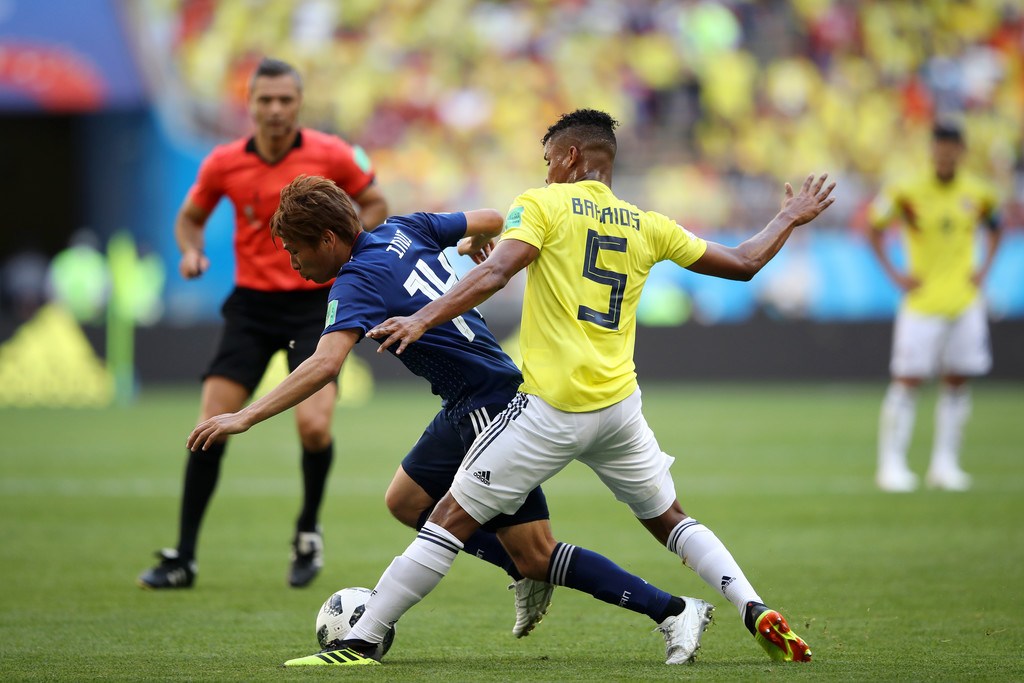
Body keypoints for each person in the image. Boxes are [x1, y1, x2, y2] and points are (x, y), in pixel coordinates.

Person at [286, 109, 833, 667]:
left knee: (448, 520)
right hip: (621, 409)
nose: (545, 171)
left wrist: (423, 318)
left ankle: (358, 642)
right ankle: (750, 604)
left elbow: (497, 273)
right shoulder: (648, 222)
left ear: (570, 157)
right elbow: (744, 262)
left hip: (550, 412)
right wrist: (788, 215)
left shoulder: (542, 204)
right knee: (671, 520)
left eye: (549, 159)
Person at [188, 174, 724, 662]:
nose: (293, 262)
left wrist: (244, 417)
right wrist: (471, 240)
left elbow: (325, 364)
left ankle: (673, 610)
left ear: (328, 239)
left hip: (491, 403)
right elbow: (495, 217)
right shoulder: (406, 226)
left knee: (535, 552)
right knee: (404, 501)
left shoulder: (352, 282)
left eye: (295, 249)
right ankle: (522, 570)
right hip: (465, 399)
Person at [138, 57, 389, 590]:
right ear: (248, 104)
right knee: (209, 425)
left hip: (314, 304)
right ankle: (183, 556)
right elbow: (190, 218)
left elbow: (375, 202)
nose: (275, 110)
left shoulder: (331, 153)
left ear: (299, 104)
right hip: (251, 308)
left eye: (285, 100)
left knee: (315, 426)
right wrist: (189, 252)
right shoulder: (224, 162)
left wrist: (353, 256)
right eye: (265, 100)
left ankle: (307, 531)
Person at [868, 121, 1003, 493]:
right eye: (939, 148)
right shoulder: (905, 190)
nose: (945, 155)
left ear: (961, 151)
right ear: (932, 150)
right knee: (908, 380)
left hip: (964, 301)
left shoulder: (979, 192)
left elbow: (996, 226)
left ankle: (945, 465)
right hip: (922, 301)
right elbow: (873, 226)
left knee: (957, 380)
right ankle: (891, 466)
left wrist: (984, 269)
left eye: (951, 148)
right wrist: (896, 274)